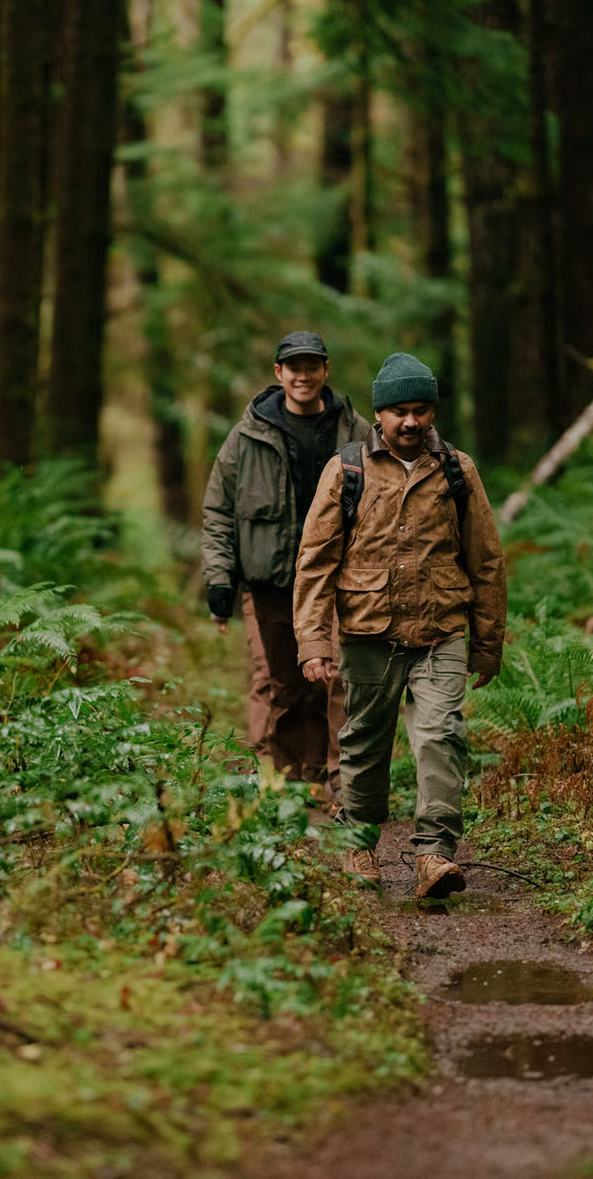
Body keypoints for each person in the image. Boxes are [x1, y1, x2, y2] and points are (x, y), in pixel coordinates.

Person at [293, 352, 507, 898]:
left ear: (432, 412)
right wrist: (314, 640)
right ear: (378, 415)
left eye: (420, 410)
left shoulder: (457, 470)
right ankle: (358, 843)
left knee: (441, 736)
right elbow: (316, 560)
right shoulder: (347, 470)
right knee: (364, 741)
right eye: (398, 412)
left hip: (440, 630)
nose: (410, 422)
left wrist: (486, 643)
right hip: (368, 632)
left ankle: (433, 856)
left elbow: (485, 561)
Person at [201, 330, 370, 791]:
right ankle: (298, 782)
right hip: (271, 582)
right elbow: (218, 511)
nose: (303, 375)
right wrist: (220, 579)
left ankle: (344, 786)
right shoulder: (246, 436)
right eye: (294, 367)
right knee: (288, 687)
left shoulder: (354, 431)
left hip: (340, 578)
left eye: (311, 366)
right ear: (279, 373)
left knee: (339, 680)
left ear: (325, 370)